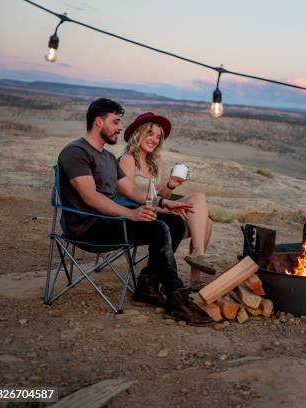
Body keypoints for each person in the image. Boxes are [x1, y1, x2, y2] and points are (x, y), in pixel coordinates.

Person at [57, 98, 212, 325]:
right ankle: (176, 297)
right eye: (116, 122)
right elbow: (90, 196)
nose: (120, 128)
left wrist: (165, 203)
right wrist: (130, 214)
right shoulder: (76, 152)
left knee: (175, 222)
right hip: (88, 226)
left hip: (110, 220)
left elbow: (130, 189)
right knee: (158, 227)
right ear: (99, 122)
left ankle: (147, 286)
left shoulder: (108, 157)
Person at [119, 112, 215, 289]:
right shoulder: (128, 159)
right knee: (203, 220)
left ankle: (196, 275)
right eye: (150, 133)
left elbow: (162, 195)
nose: (154, 139)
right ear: (138, 133)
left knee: (202, 209)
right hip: (138, 215)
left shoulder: (158, 163)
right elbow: (128, 194)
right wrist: (163, 207)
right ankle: (196, 257)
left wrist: (171, 185)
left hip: (159, 210)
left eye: (158, 136)